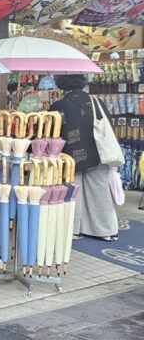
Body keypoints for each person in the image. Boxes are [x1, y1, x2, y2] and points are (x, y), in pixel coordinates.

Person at [51, 74, 119, 241]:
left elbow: (52, 132)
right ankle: (105, 230)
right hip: (97, 152)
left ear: (62, 85)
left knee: (74, 192)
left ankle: (73, 230)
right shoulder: (96, 102)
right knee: (99, 191)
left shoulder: (59, 105)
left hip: (70, 155)